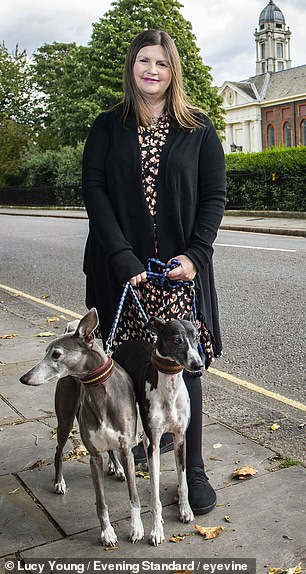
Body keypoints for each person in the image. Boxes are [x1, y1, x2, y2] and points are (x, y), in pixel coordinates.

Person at [82, 29, 226, 515]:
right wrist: (121, 256)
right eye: (144, 61)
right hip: (122, 269)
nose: (152, 70)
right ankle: (143, 441)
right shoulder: (108, 126)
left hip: (177, 272)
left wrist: (196, 255)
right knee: (128, 360)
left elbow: (213, 196)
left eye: (161, 63)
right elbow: (95, 192)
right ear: (132, 66)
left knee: (185, 361)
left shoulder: (198, 128)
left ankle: (194, 470)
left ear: (173, 70)